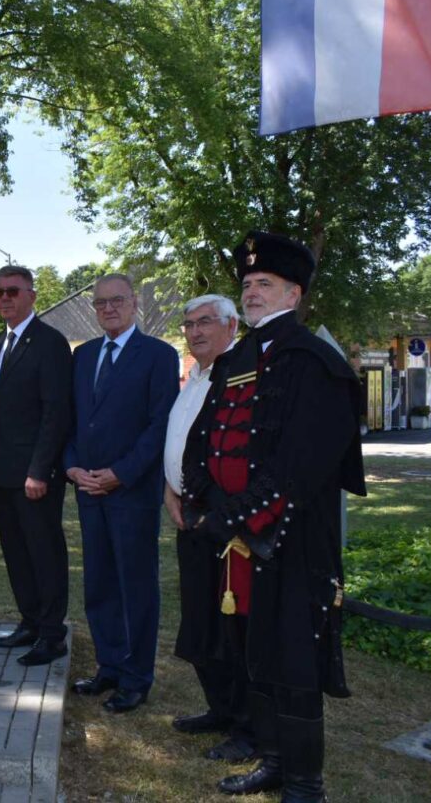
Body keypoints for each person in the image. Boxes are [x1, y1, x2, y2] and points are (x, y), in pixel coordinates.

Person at [181, 232, 364, 802]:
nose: (253, 292)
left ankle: (306, 785)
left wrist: (233, 517)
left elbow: (299, 469)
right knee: (253, 653)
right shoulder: (237, 357)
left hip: (288, 539)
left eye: (265, 284)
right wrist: (207, 499)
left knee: (295, 662)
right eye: (248, 284)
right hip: (237, 540)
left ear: (295, 292)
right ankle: (274, 759)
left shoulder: (311, 360)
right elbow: (204, 438)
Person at [66, 274, 178, 712]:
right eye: (100, 303)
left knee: (136, 586)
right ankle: (108, 666)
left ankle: (136, 676)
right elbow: (74, 420)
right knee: (99, 584)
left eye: (117, 301)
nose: (108, 308)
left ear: (135, 304)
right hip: (88, 489)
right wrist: (71, 466)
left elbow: (159, 426)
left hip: (130, 491)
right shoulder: (85, 355)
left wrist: (120, 473)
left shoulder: (159, 355)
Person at [163, 295, 256, 761]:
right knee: (200, 622)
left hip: (223, 522)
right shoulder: (195, 377)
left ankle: (248, 728)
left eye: (205, 323)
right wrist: (169, 490)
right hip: (188, 513)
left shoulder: (240, 377)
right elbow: (180, 443)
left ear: (231, 325)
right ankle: (220, 710)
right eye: (189, 324)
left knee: (231, 629)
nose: (195, 331)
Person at [0, 265, 73, 666]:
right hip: (3, 471)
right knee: (16, 552)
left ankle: (53, 635)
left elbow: (56, 412)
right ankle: (30, 622)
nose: (4, 299)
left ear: (32, 295)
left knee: (44, 552)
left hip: (35, 475)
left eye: (13, 291)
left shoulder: (50, 343)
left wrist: (39, 469)